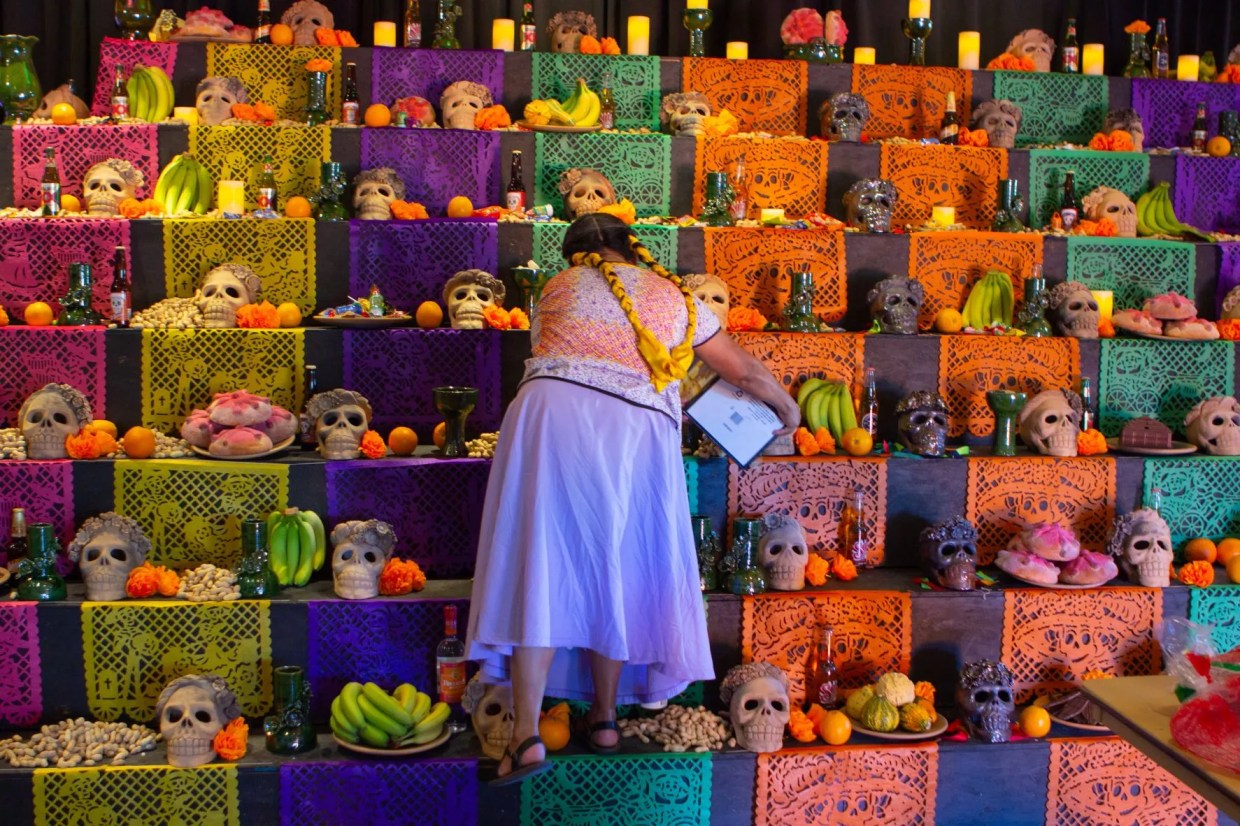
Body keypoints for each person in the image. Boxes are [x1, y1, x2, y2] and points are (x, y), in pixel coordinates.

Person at [465, 213, 800, 784]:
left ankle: (524, 736)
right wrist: (786, 408)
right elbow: (740, 369)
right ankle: (604, 720)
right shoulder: (675, 297)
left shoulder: (553, 289)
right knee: (615, 566)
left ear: (576, 255)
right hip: (630, 430)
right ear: (632, 249)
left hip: (546, 417)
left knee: (539, 564)